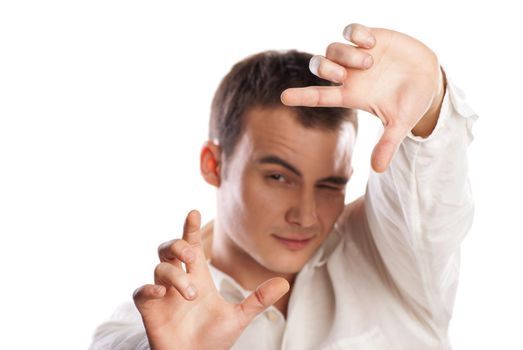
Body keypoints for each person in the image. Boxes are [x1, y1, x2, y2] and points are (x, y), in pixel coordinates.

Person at [89, 23, 477, 349]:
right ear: (213, 164)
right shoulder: (137, 331)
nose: (305, 215)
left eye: (330, 184)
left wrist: (429, 106)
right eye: (278, 177)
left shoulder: (396, 254)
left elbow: (430, 189)